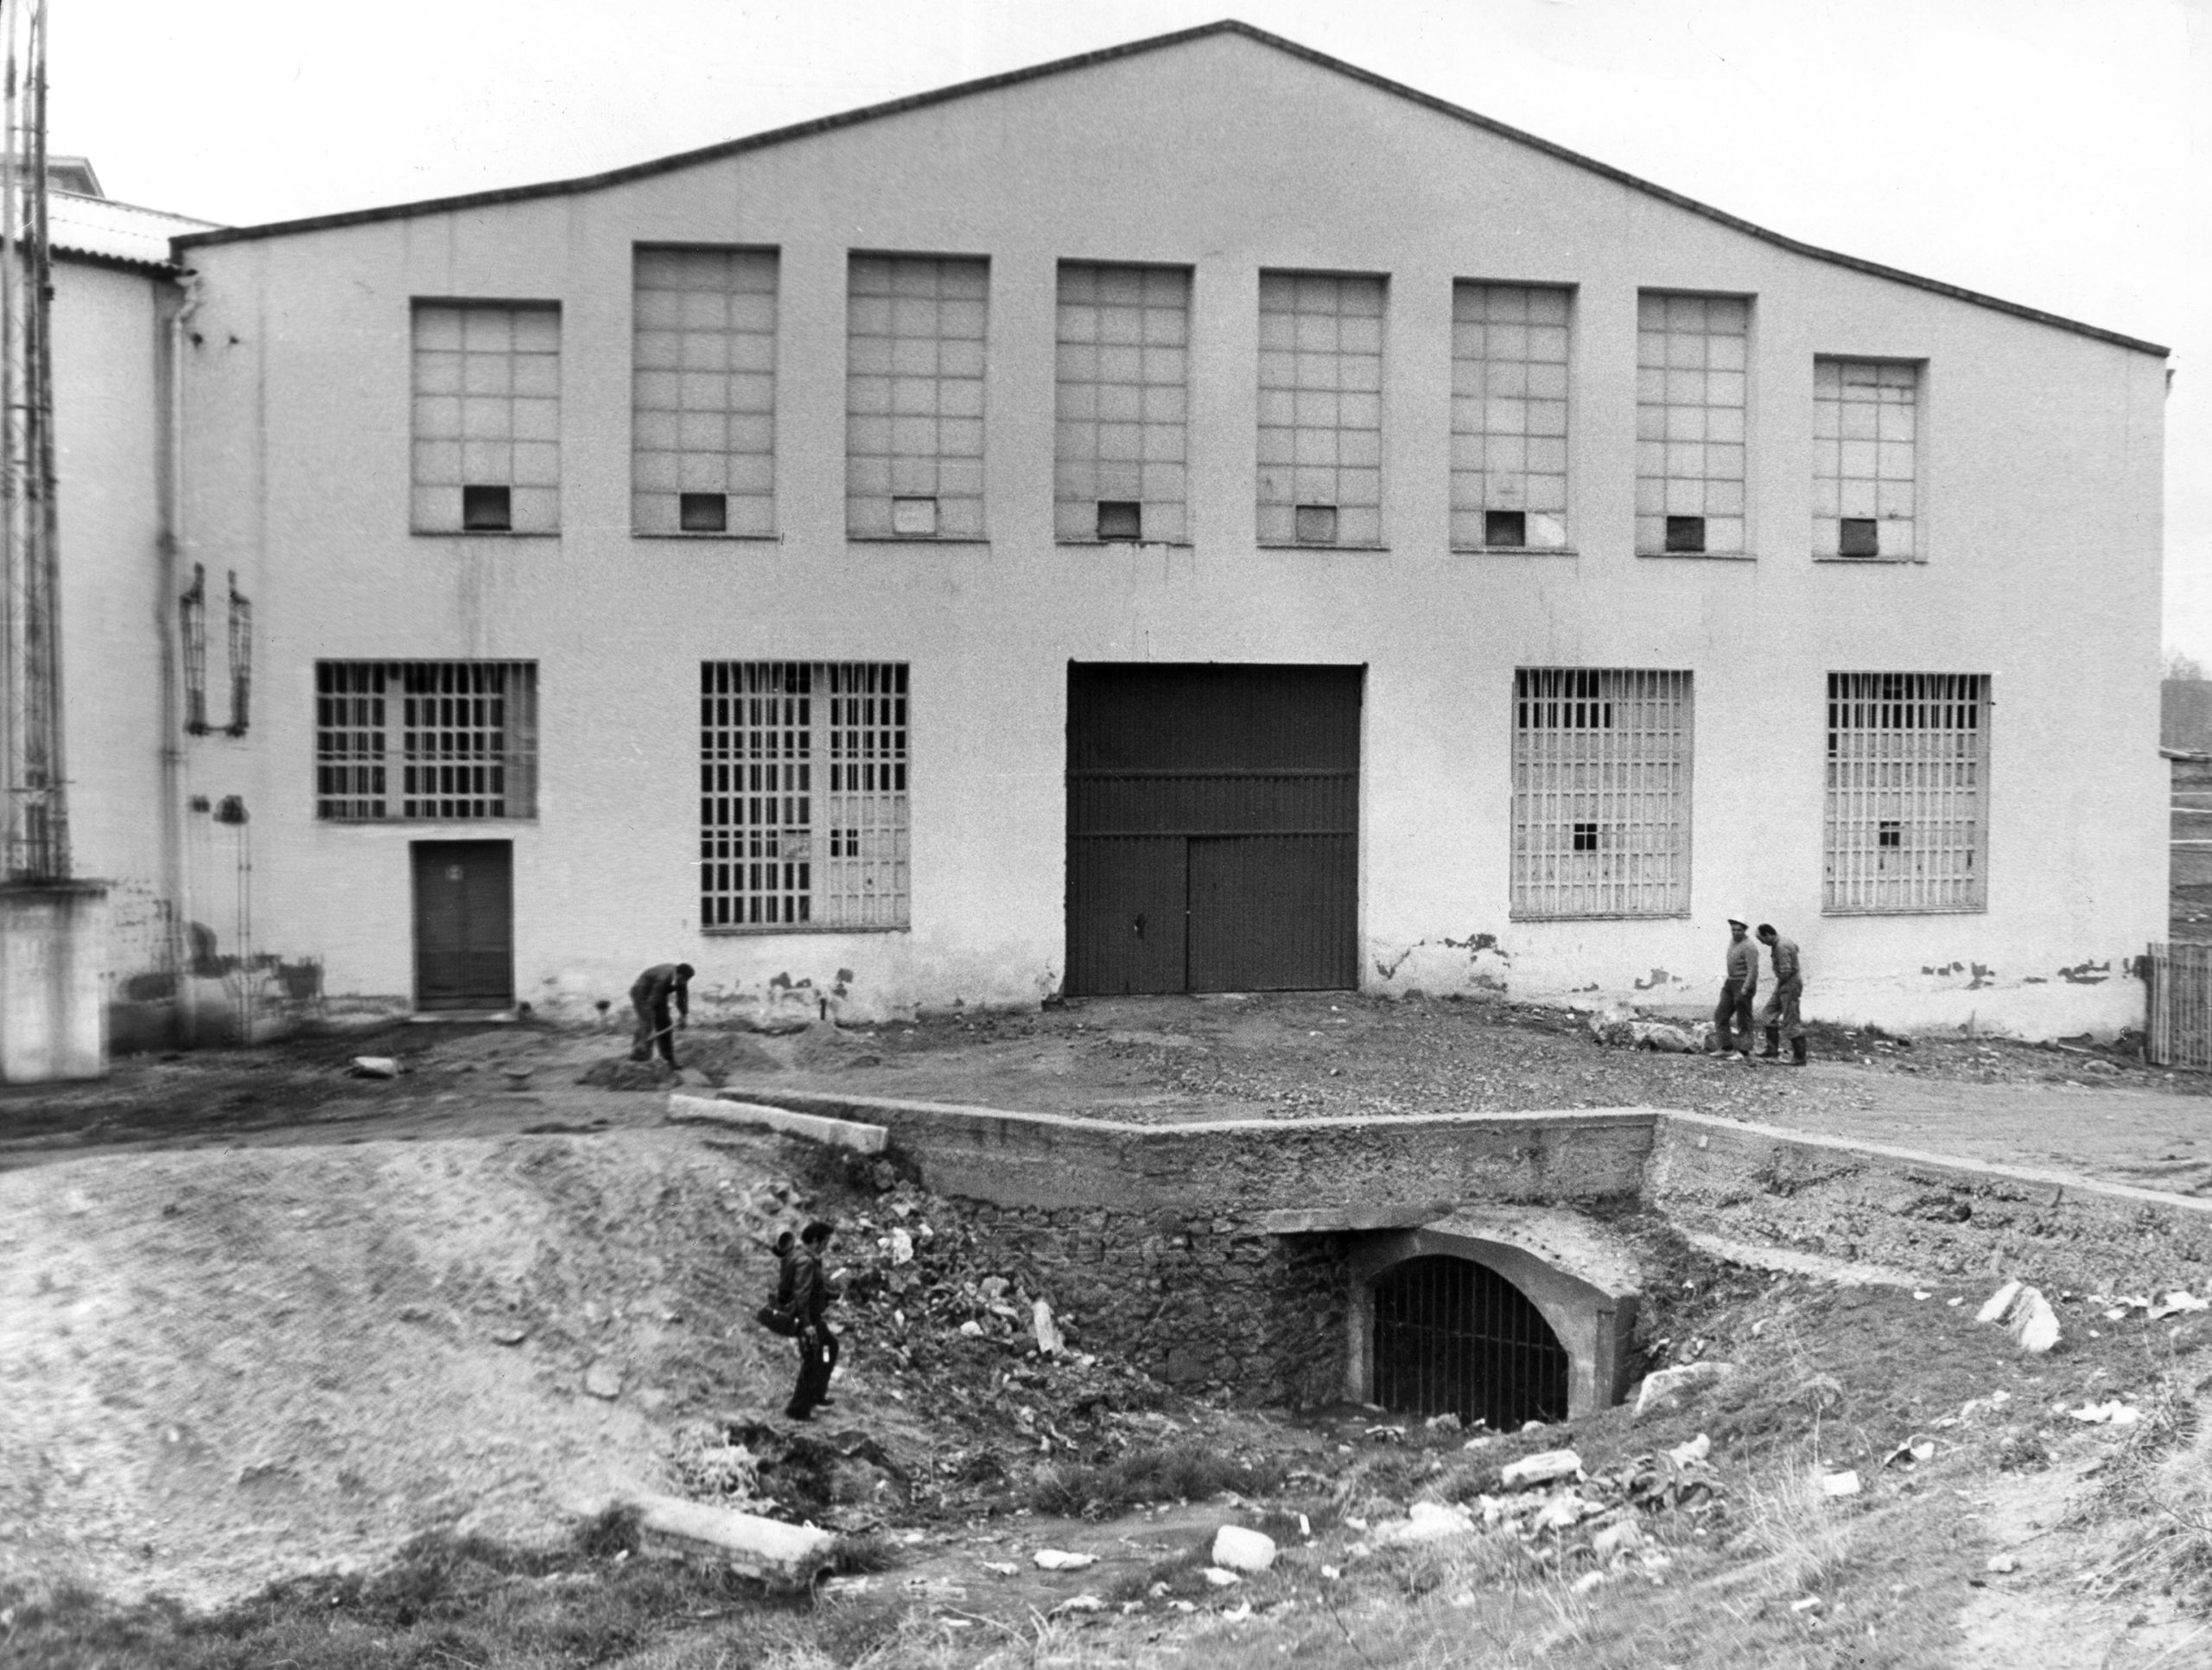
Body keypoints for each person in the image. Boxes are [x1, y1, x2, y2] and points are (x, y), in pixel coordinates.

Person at [785, 1220, 839, 1421]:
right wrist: (807, 1326)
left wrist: (832, 1295)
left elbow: (814, 1290)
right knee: (812, 1360)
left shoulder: (808, 1258)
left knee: (829, 1348)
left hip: (812, 1317)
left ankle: (817, 1394)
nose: (827, 1246)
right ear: (816, 1241)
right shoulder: (806, 1262)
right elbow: (801, 1295)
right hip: (806, 1319)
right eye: (825, 1241)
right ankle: (798, 1409)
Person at [1757, 924, 1808, 1066]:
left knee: (1791, 1019)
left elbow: (1786, 971)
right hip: (1784, 983)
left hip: (1789, 983)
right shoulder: (1782, 942)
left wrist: (1782, 985)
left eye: (1762, 939)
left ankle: (1800, 1057)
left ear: (1768, 935)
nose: (1762, 942)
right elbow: (1796, 948)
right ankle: (1772, 1049)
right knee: (1768, 1013)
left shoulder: (1780, 946)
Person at [628, 962, 695, 1069]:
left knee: (665, 1023)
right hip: (641, 992)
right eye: (681, 979)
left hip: (660, 994)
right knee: (647, 1022)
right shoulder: (664, 977)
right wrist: (648, 1018)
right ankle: (639, 1054)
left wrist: (683, 1016)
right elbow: (653, 999)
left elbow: (682, 998)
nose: (683, 982)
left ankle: (669, 1059)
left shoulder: (682, 980)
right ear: (677, 974)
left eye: (686, 980)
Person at [1711, 918, 1758, 1059]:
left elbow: (1753, 970)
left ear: (1744, 931)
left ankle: (1744, 1051)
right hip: (1730, 982)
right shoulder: (1732, 941)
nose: (1736, 932)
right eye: (1733, 930)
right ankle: (1726, 1048)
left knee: (1743, 1018)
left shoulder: (1749, 946)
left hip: (1743, 983)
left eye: (1739, 930)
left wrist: (1746, 988)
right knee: (1720, 1014)